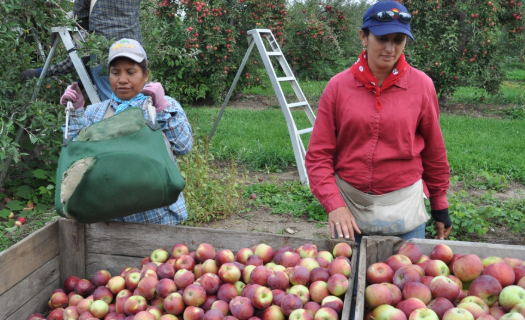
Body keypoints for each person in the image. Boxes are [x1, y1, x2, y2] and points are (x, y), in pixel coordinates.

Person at [305, 1, 452, 242]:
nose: (390, 48)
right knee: (350, 278)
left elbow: (434, 151)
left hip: (404, 209)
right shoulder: (338, 88)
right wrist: (334, 205)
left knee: (408, 277)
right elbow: (318, 155)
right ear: (364, 37)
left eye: (398, 40)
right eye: (382, 38)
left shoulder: (421, 86)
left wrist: (439, 205)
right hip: (350, 210)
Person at [59, 38, 193, 225]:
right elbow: (75, 158)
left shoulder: (160, 106)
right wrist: (75, 112)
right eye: (115, 73)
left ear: (146, 75)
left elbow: (184, 146)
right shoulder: (95, 112)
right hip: (108, 217)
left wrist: (161, 108)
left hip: (157, 217)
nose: (122, 80)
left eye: (131, 72)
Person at [21, 0, 143, 101]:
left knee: (112, 109)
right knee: (138, 105)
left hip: (103, 50)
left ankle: (44, 73)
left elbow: (79, 19)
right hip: (134, 51)